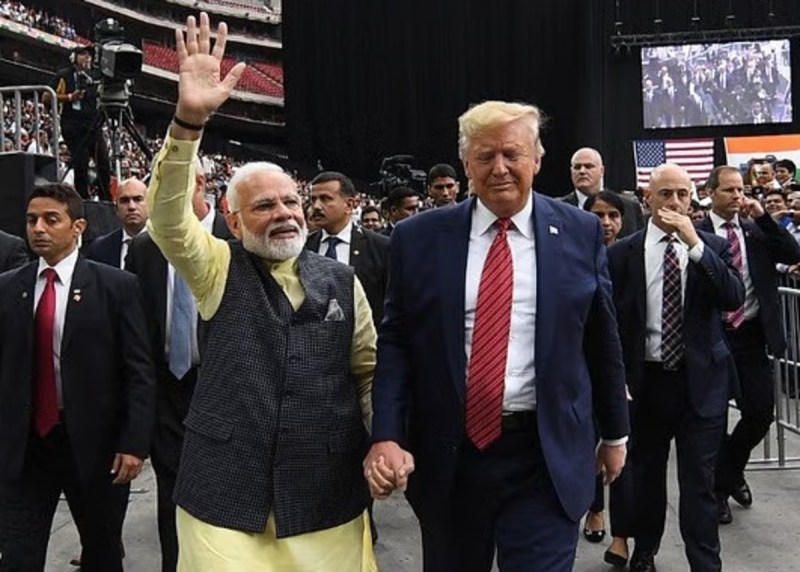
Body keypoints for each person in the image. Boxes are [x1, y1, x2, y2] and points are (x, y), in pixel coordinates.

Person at [145, 13, 378, 571]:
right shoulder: (217, 266)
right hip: (223, 495)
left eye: (290, 202)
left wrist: (385, 439)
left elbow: (368, 373)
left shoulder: (343, 281)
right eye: (264, 205)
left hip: (325, 497)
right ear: (232, 216)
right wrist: (187, 125)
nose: (284, 214)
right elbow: (169, 223)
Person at [365, 100, 630, 572]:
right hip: (451, 458)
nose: (500, 168)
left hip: (545, 457)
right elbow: (398, 341)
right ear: (466, 163)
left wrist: (615, 433)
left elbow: (600, 338)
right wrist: (386, 433)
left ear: (538, 160)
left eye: (512, 154)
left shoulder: (580, 231)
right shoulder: (418, 238)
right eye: (485, 156)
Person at [0, 182, 155, 572]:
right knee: (18, 554)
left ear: (78, 226)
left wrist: (134, 443)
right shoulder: (8, 288)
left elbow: (138, 371)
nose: (38, 228)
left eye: (51, 219)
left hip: (95, 446)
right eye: (32, 219)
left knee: (101, 552)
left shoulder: (116, 286)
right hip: (26, 446)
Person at [607, 163, 744, 572]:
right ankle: (645, 551)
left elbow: (732, 296)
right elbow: (609, 322)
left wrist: (695, 246)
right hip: (646, 382)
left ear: (693, 199)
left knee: (699, 482)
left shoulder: (712, 248)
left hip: (700, 383)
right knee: (646, 477)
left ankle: (705, 564)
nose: (675, 202)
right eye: (665, 194)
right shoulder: (622, 253)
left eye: (683, 194)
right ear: (647, 198)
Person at [125, 156, 232, 572]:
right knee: (172, 495)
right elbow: (139, 330)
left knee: (228, 498)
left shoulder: (236, 242)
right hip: (169, 389)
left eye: (172, 183)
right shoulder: (146, 247)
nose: (161, 196)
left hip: (226, 389)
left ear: (201, 183)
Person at [696, 166, 800, 525]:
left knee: (759, 413)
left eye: (741, 191)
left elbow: (792, 249)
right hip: (713, 336)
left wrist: (766, 218)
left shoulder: (756, 232)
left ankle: (726, 475)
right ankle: (719, 491)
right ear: (710, 192)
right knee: (713, 418)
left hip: (752, 335)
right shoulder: (697, 232)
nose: (737, 197)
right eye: (728, 190)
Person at [582, 191, 635, 567]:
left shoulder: (632, 256)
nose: (606, 223)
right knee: (588, 446)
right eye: (598, 215)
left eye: (613, 215)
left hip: (627, 368)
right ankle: (594, 508)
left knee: (620, 451)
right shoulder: (573, 257)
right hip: (582, 371)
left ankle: (621, 536)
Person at [306, 171, 390, 326]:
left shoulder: (381, 247)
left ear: (349, 205)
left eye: (325, 199)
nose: (316, 206)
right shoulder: (303, 248)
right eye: (313, 199)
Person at [48, 45, 111, 200]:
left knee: (103, 161)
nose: (86, 58)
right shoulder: (64, 75)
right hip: (72, 124)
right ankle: (83, 198)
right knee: (81, 161)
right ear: (74, 57)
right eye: (82, 54)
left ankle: (105, 198)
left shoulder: (95, 76)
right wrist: (70, 97)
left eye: (89, 55)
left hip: (93, 124)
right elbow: (47, 97)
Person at [558, 147, 644, 239]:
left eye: (589, 166)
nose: (582, 171)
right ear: (571, 172)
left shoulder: (630, 207)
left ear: (601, 171)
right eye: (577, 167)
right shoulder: (557, 208)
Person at [85, 178, 149, 268]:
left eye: (138, 199)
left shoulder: (164, 246)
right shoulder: (99, 248)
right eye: (124, 201)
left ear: (150, 204)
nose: (131, 207)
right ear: (116, 209)